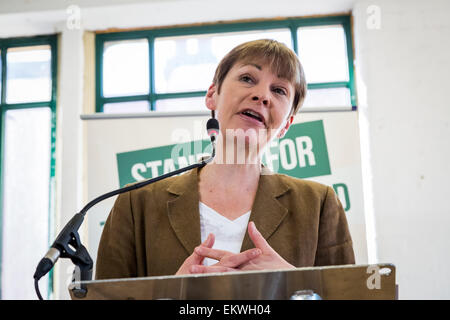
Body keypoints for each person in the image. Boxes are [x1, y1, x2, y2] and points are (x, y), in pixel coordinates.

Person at [95, 39, 355, 280]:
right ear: (212, 95)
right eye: (247, 78)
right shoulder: (135, 202)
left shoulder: (320, 204)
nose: (262, 95)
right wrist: (170, 294)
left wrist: (294, 283)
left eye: (278, 90)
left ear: (287, 124)